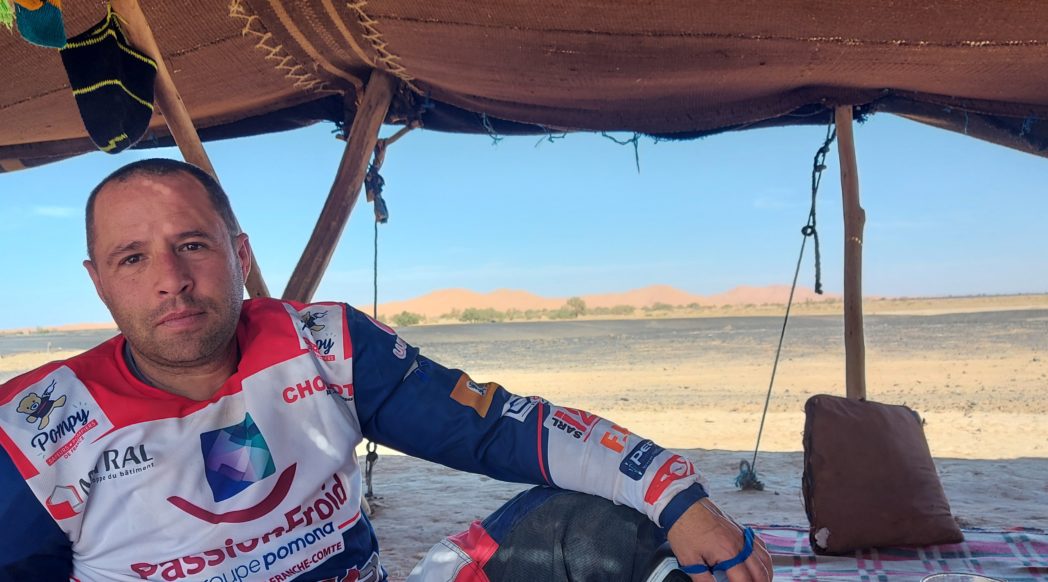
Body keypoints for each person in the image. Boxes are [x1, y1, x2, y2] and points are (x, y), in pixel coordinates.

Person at [0, 158, 773, 582]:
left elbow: (497, 430)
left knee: (603, 527)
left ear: (238, 255)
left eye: (192, 245)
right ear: (99, 282)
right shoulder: (36, 431)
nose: (171, 279)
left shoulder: (324, 344)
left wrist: (674, 491)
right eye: (133, 258)